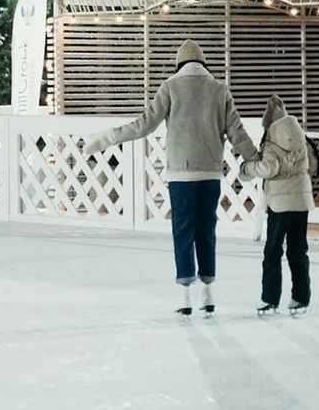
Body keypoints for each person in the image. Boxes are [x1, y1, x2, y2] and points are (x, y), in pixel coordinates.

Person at [83, 39, 259, 316]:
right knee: (206, 231)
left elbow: (144, 125)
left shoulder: (171, 87)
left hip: (181, 173)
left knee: (183, 231)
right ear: (203, 63)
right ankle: (208, 293)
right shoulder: (219, 89)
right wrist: (255, 160)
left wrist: (107, 138)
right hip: (211, 172)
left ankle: (186, 296)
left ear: (178, 65)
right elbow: (237, 132)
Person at [239, 95, 315, 315]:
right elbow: (314, 163)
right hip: (301, 203)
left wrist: (247, 169)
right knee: (298, 251)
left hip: (280, 204)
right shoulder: (300, 139)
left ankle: (270, 298)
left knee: (273, 251)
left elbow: (268, 169)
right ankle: (301, 297)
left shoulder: (272, 143)